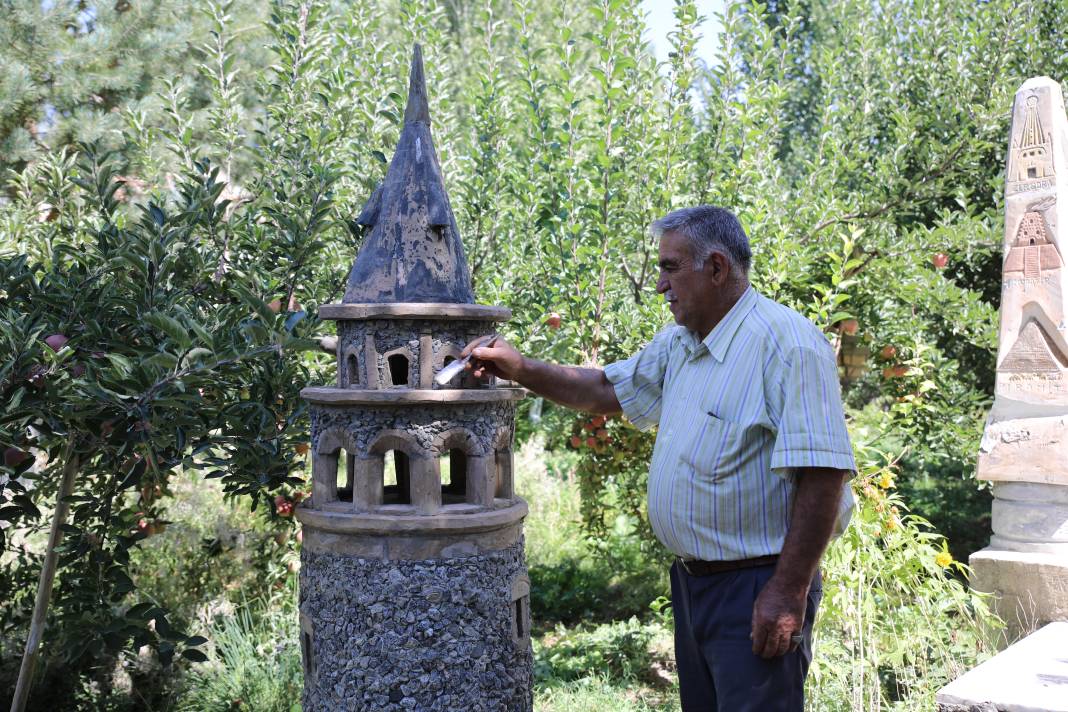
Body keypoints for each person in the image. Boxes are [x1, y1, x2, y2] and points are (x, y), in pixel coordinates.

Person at [462, 206, 855, 712]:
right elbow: (606, 388)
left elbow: (823, 475)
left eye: (670, 268)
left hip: (758, 585)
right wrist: (519, 368)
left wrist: (787, 591)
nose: (659, 285)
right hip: (695, 585)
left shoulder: (788, 346)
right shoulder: (681, 343)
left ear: (716, 269)